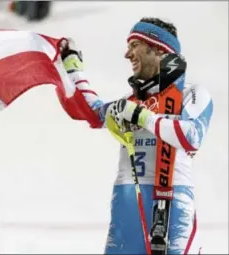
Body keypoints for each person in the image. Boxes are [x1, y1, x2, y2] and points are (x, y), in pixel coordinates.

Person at [59, 17, 213, 254]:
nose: (127, 54)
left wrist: (143, 118)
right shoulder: (131, 102)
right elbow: (91, 111)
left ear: (158, 48)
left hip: (173, 207)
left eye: (134, 45)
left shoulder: (193, 94)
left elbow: (191, 136)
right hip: (127, 203)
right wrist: (72, 67)